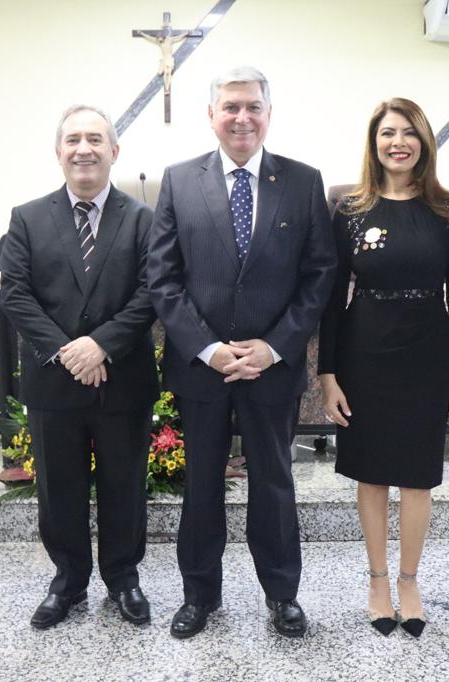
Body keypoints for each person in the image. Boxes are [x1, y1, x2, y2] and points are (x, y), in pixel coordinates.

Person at [147, 66, 336, 639]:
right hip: (202, 370)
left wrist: (275, 347)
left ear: (268, 115)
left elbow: (320, 275)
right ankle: (199, 595)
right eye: (230, 106)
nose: (241, 116)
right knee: (201, 482)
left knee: (274, 484)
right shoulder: (179, 181)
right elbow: (163, 276)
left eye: (253, 106)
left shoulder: (303, 182)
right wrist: (206, 348)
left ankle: (282, 595)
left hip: (271, 370)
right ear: (211, 115)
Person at [318, 98, 449, 638]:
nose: (398, 142)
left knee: (416, 477)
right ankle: (378, 580)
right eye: (388, 133)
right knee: (372, 473)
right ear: (374, 142)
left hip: (428, 354)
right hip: (364, 356)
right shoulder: (350, 210)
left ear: (425, 142)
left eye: (409, 133)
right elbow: (331, 299)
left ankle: (410, 580)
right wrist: (328, 373)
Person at [0, 105, 160, 629]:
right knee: (59, 489)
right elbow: (16, 295)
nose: (83, 149)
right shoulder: (27, 216)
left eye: (95, 139)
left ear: (115, 152)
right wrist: (71, 351)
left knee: (125, 485)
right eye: (73, 140)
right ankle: (68, 581)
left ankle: (123, 579)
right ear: (58, 152)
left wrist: (103, 345)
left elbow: (153, 293)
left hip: (122, 380)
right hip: (54, 380)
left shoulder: (144, 220)